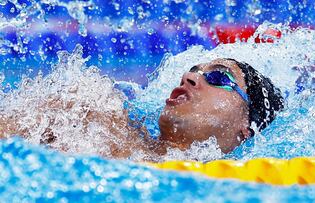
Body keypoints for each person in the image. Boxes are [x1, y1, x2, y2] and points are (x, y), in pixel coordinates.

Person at [0, 58, 284, 161]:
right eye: (193, 70)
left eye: (219, 78)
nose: (190, 77)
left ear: (247, 129)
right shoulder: (95, 116)